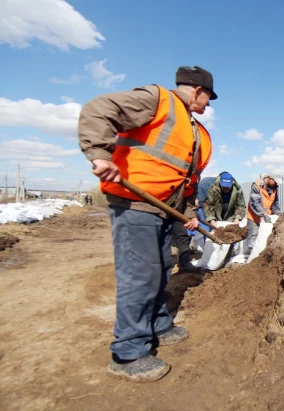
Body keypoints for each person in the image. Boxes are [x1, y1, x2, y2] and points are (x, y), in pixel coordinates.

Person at [78, 65, 216, 382]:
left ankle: (157, 324)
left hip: (165, 210)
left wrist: (191, 215)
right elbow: (98, 110)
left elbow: (184, 179)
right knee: (140, 275)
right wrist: (100, 155)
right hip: (135, 204)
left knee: (161, 270)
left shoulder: (191, 129)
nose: (208, 104)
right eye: (208, 96)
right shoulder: (157, 100)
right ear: (197, 90)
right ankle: (127, 353)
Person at [247, 174, 281, 253]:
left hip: (266, 217)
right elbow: (255, 203)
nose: (276, 184)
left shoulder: (274, 188)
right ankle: (252, 257)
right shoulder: (257, 186)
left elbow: (275, 204)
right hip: (254, 217)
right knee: (253, 236)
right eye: (275, 182)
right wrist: (263, 214)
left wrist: (279, 215)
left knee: (265, 237)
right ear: (270, 178)